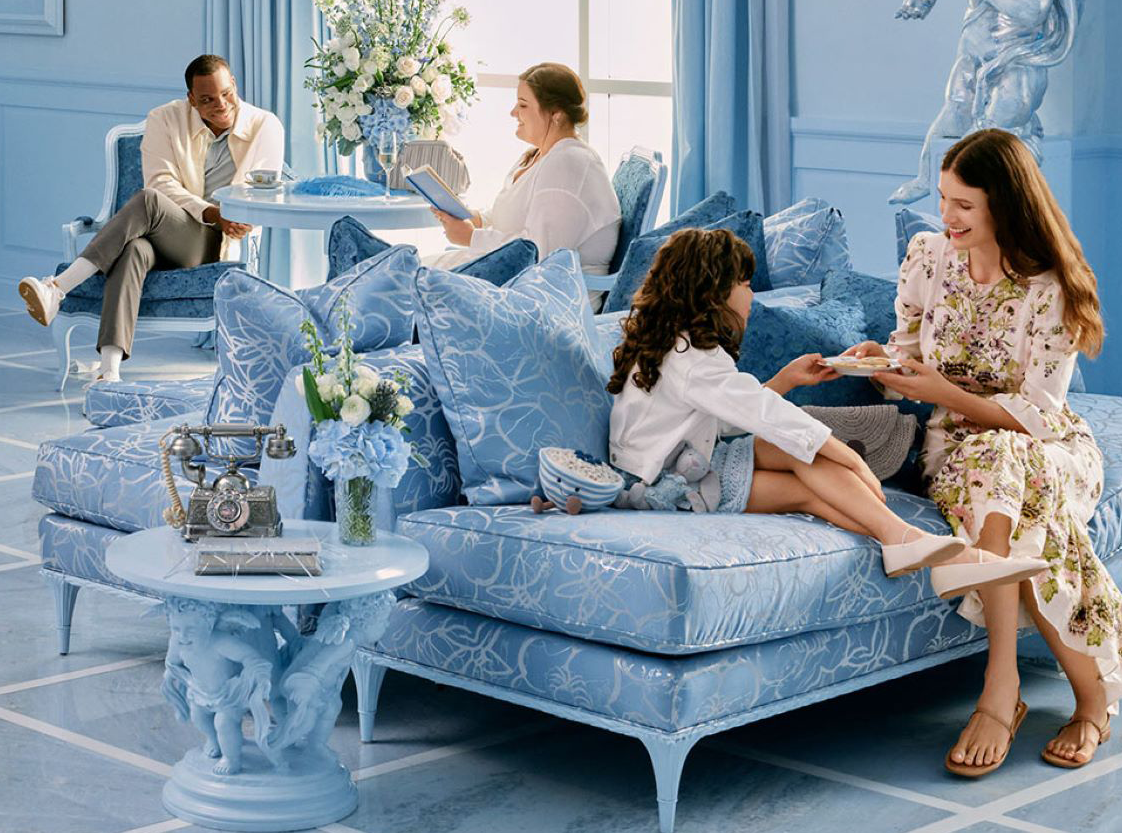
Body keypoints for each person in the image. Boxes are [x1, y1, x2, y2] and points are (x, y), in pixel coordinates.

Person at [849, 128, 1122, 777]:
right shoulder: (928, 256)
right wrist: (881, 362)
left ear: (1003, 206)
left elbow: (1038, 414)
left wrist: (943, 388)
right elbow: (910, 348)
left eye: (963, 204)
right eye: (942, 199)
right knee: (995, 469)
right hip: (952, 446)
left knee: (1006, 460)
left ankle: (1000, 685)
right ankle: (1091, 699)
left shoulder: (1052, 286)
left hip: (1048, 448)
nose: (945, 217)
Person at [605, 227, 1043, 572]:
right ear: (713, 291)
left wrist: (785, 379)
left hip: (690, 459)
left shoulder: (676, 346)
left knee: (805, 468)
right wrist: (848, 457)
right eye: (744, 283)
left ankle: (912, 545)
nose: (751, 294)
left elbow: (728, 413)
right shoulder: (693, 358)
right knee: (806, 474)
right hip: (674, 486)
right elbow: (761, 414)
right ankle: (909, 542)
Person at [17, 55, 286, 384]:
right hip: (175, 229)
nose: (221, 105)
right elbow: (161, 184)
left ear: (234, 86)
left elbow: (262, 191)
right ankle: (109, 371)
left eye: (226, 94)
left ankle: (57, 288)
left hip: (216, 240)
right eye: (207, 99)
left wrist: (240, 218)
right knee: (134, 250)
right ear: (191, 99)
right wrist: (210, 210)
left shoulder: (264, 126)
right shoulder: (164, 118)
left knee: (146, 201)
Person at [424, 62, 620, 272]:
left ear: (557, 114)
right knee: (402, 270)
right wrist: (477, 219)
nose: (513, 112)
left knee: (400, 278)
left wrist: (472, 237)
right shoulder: (539, 155)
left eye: (523, 105)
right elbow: (519, 216)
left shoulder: (568, 164)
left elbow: (538, 252)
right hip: (509, 273)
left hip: (541, 291)